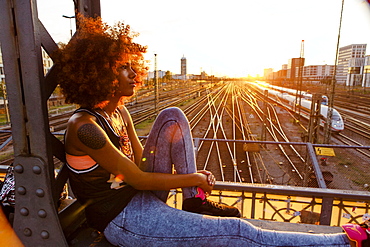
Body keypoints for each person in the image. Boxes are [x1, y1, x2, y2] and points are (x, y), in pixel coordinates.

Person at [55, 15, 360, 247]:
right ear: (100, 71)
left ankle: (193, 199)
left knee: (172, 115)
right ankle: (344, 242)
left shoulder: (119, 111)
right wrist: (194, 176)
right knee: (238, 232)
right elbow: (138, 177)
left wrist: (188, 183)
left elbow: (139, 167)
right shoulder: (85, 128)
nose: (134, 73)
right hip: (121, 219)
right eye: (123, 66)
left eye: (132, 64)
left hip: (137, 198)